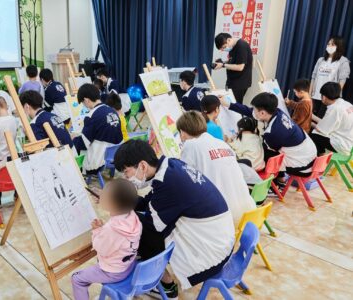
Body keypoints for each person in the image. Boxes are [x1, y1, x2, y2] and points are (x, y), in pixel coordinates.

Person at [114, 140, 235, 297]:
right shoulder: (170, 166)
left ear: (142, 166)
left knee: (133, 222)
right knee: (140, 219)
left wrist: (117, 206)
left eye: (126, 172)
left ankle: (167, 285)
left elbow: (151, 228)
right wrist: (118, 197)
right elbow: (148, 203)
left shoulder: (167, 182)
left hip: (211, 252)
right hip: (221, 238)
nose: (126, 177)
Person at [177, 111, 256, 224]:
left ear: (182, 132)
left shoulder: (190, 145)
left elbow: (184, 182)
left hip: (224, 219)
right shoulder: (222, 144)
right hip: (249, 214)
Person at [221, 92, 317, 181]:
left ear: (262, 113)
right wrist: (229, 104)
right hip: (310, 154)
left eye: (254, 109)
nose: (253, 111)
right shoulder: (277, 112)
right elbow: (250, 112)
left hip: (303, 166)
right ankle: (279, 179)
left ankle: (274, 181)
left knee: (262, 153)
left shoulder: (272, 132)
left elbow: (272, 150)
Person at [71, 179, 141, 300]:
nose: (100, 194)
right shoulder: (132, 215)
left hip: (114, 271)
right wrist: (104, 231)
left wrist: (97, 230)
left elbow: (100, 248)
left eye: (104, 194)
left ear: (112, 204)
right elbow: (117, 239)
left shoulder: (112, 229)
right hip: (128, 265)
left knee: (77, 279)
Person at [73, 84, 123, 173]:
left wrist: (73, 139)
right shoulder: (112, 110)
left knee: (75, 145)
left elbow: (84, 143)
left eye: (83, 103)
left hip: (98, 160)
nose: (84, 105)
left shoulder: (91, 115)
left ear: (86, 100)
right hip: (116, 155)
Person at [310, 36, 350, 118]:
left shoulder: (343, 62)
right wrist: (309, 94)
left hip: (329, 99)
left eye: (333, 44)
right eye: (328, 44)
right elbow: (313, 77)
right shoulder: (321, 60)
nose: (329, 46)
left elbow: (341, 83)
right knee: (310, 119)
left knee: (321, 122)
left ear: (339, 46)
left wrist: (332, 97)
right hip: (316, 96)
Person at [310, 82, 353, 156]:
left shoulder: (334, 109)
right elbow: (326, 123)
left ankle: (321, 158)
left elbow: (320, 129)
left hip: (343, 145)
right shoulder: (346, 104)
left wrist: (309, 122)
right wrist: (312, 116)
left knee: (315, 135)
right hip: (349, 142)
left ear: (323, 97)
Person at [214, 33, 253, 104]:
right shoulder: (232, 47)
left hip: (240, 82)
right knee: (230, 104)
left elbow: (240, 67)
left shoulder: (241, 46)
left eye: (224, 47)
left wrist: (223, 65)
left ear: (228, 40)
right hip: (233, 81)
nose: (223, 50)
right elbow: (233, 61)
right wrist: (222, 63)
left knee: (236, 106)